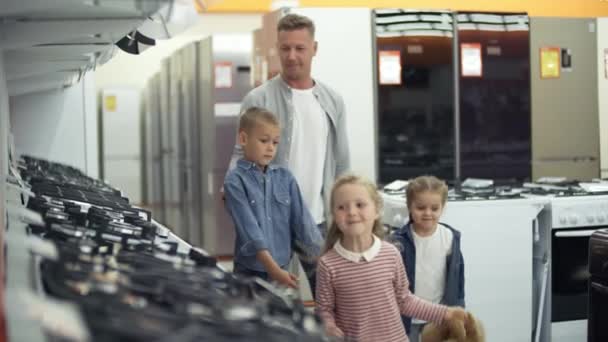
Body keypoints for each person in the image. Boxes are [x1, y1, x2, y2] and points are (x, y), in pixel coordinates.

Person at [229, 13, 350, 295]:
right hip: (269, 223)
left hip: (317, 222)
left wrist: (343, 215)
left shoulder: (333, 101)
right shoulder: (257, 99)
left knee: (332, 302)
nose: (292, 56)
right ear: (277, 48)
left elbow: (342, 163)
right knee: (267, 307)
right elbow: (238, 160)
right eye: (285, 48)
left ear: (314, 49)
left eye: (300, 48)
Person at [315, 174, 467, 342]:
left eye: (360, 205)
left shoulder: (391, 253)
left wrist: (446, 313)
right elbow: (324, 310)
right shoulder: (327, 264)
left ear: (377, 210)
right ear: (334, 215)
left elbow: (405, 301)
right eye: (341, 207)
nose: (351, 212)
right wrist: (328, 325)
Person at [223, 107, 323, 288]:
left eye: (275, 143)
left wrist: (326, 260)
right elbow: (250, 231)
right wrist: (274, 270)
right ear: (243, 139)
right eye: (264, 141)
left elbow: (304, 224)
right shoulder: (235, 181)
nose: (270, 148)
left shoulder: (286, 178)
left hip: (282, 267)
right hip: (250, 271)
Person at [390, 176, 465, 342]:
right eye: (421, 207)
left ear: (442, 208)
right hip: (405, 318)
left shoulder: (450, 237)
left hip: (438, 316)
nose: (428, 213)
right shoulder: (397, 241)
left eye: (434, 208)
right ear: (409, 206)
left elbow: (458, 278)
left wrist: (459, 309)